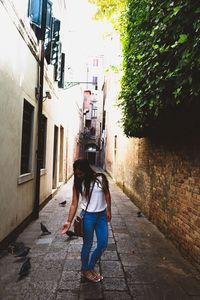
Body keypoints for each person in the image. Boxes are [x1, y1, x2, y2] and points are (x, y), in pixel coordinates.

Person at [61, 158, 111, 283]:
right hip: (87, 216)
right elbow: (74, 203)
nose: (78, 176)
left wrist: (108, 210)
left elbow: (107, 194)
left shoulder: (101, 178)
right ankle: (86, 270)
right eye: (76, 173)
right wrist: (68, 221)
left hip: (101, 216)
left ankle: (90, 267)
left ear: (87, 170)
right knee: (87, 245)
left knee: (103, 244)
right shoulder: (78, 183)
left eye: (80, 173)